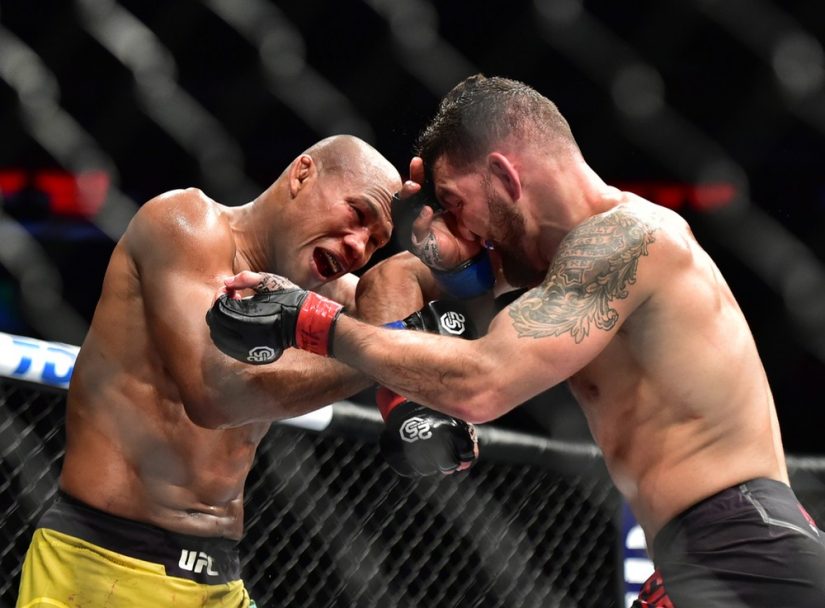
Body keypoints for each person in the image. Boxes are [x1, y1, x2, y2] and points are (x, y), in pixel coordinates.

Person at [207, 76, 825, 607]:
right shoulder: (559, 262)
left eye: (456, 202)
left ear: (504, 175)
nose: (463, 226)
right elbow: (395, 280)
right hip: (704, 553)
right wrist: (411, 392)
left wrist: (308, 321)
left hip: (745, 545)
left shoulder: (626, 241)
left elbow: (484, 383)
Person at [15, 134, 477, 608]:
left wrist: (450, 234)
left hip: (219, 579)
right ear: (302, 175)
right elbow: (214, 395)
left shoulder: (324, 294)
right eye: (357, 214)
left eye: (376, 240)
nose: (358, 246)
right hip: (103, 565)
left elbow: (398, 286)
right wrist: (392, 349)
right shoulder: (184, 224)